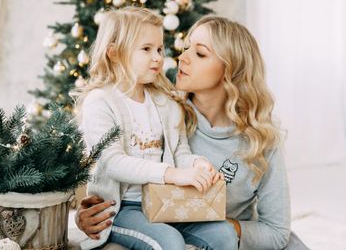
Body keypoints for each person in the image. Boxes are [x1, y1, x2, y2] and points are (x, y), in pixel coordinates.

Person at [76, 15, 309, 249]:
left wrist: (218, 222)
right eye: (185, 48)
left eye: (200, 53)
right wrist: (84, 215)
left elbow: (277, 233)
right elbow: (107, 161)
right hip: (152, 219)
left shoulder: (261, 141)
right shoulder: (168, 110)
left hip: (227, 231)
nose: (181, 58)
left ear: (231, 71)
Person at [73, 7, 238, 250]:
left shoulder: (166, 103)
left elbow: (180, 151)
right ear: (115, 53)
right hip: (121, 209)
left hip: (166, 201)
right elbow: (111, 162)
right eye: (146, 49)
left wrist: (197, 164)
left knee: (224, 234)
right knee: (169, 242)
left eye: (160, 49)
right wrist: (172, 174)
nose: (158, 57)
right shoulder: (100, 101)